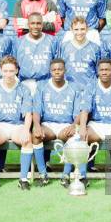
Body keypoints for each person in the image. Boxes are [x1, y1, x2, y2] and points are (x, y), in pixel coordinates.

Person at [0, 56, 35, 191]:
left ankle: (23, 179)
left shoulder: (24, 89)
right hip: (0, 125)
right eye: (5, 71)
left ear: (17, 71)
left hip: (17, 125)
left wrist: (26, 130)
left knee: (27, 139)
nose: (8, 74)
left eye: (11, 71)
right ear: (1, 71)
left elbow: (28, 113)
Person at [31, 58, 81, 188]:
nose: (57, 72)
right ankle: (43, 175)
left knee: (75, 137)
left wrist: (74, 125)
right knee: (35, 135)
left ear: (65, 70)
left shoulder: (74, 87)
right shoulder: (42, 86)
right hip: (48, 125)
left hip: (66, 124)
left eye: (60, 69)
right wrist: (37, 126)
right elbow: (36, 110)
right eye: (54, 70)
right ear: (50, 71)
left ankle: (65, 176)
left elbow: (79, 112)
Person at [14, 12, 58, 95]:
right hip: (25, 83)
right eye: (32, 23)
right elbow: (13, 64)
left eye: (38, 23)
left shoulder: (53, 41)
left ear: (42, 25)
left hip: (46, 83)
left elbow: (57, 63)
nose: (35, 26)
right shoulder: (18, 41)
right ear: (28, 24)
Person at [58, 17, 102, 86]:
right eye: (76, 29)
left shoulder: (95, 48)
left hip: (89, 90)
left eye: (82, 29)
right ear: (71, 29)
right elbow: (59, 69)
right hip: (69, 90)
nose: (79, 32)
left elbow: (99, 72)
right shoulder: (64, 47)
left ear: (87, 29)